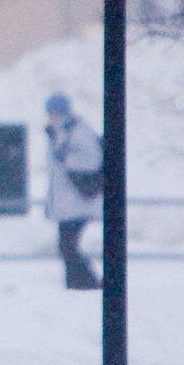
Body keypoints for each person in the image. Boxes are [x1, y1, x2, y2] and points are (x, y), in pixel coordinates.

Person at [43, 92, 103, 291]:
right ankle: (78, 284)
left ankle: (88, 284)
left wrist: (67, 160)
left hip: (77, 203)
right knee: (67, 247)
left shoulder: (77, 132)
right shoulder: (61, 132)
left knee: (68, 247)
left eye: (54, 112)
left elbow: (92, 160)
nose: (51, 116)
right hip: (67, 204)